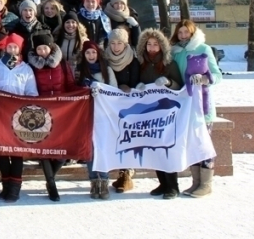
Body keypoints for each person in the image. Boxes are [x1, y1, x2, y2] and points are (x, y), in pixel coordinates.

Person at [0, 34, 37, 202]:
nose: (12, 50)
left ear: (20, 49)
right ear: (5, 48)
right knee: (1, 152)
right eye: (10, 46)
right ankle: (5, 184)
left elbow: (32, 93)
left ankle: (15, 188)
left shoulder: (26, 69)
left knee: (17, 152)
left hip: (19, 117)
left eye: (15, 47)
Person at [170, 19, 222, 198]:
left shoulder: (203, 48)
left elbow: (217, 74)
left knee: (204, 143)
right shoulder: (175, 52)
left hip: (202, 105)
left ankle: (206, 183)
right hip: (185, 105)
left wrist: (204, 79)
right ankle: (196, 183)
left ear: (193, 33)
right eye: (180, 32)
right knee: (192, 144)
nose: (183, 35)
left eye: (186, 32)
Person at [28, 33, 76, 201]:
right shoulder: (32, 66)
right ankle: (51, 184)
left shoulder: (62, 64)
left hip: (61, 109)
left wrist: (76, 99)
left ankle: (51, 176)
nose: (42, 52)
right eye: (39, 49)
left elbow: (70, 84)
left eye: (45, 48)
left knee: (63, 149)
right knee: (44, 149)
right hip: (41, 111)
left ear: (51, 47)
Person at [137, 28, 184, 200]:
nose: (152, 47)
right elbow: (136, 80)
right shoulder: (141, 62)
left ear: (161, 45)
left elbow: (179, 85)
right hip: (149, 111)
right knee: (154, 147)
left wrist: (169, 82)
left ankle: (173, 185)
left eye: (155, 44)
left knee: (166, 148)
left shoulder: (169, 63)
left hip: (167, 111)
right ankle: (162, 183)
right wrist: (139, 85)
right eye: (148, 44)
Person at [76, 39, 116, 200]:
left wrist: (101, 89)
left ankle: (104, 180)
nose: (91, 55)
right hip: (87, 116)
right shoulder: (80, 71)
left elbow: (115, 91)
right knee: (90, 150)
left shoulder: (107, 70)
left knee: (103, 148)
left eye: (93, 52)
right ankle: (94, 181)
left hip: (104, 115)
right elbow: (75, 91)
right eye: (87, 53)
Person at [104, 27, 140, 193]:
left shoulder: (133, 60)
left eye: (119, 43)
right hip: (109, 105)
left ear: (125, 44)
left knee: (127, 137)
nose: (116, 47)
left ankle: (127, 174)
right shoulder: (104, 58)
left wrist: (128, 87)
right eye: (113, 43)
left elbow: (135, 82)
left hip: (128, 106)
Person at [53, 11, 89, 79]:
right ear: (63, 24)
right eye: (67, 22)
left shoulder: (83, 41)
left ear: (77, 24)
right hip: (60, 73)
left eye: (73, 22)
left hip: (77, 74)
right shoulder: (56, 38)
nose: (70, 25)